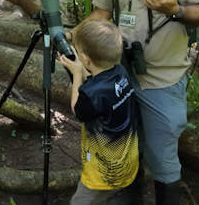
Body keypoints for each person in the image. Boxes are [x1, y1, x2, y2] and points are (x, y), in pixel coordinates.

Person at [67, 0, 199, 204]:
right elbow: (102, 13)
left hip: (163, 80)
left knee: (163, 159)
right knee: (128, 150)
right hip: (122, 77)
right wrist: (73, 36)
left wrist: (175, 10)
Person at [58, 19, 139, 205]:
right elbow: (100, 81)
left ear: (86, 59)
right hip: (127, 164)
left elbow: (78, 110)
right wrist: (81, 68)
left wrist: (77, 74)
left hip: (103, 175)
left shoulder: (91, 93)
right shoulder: (121, 72)